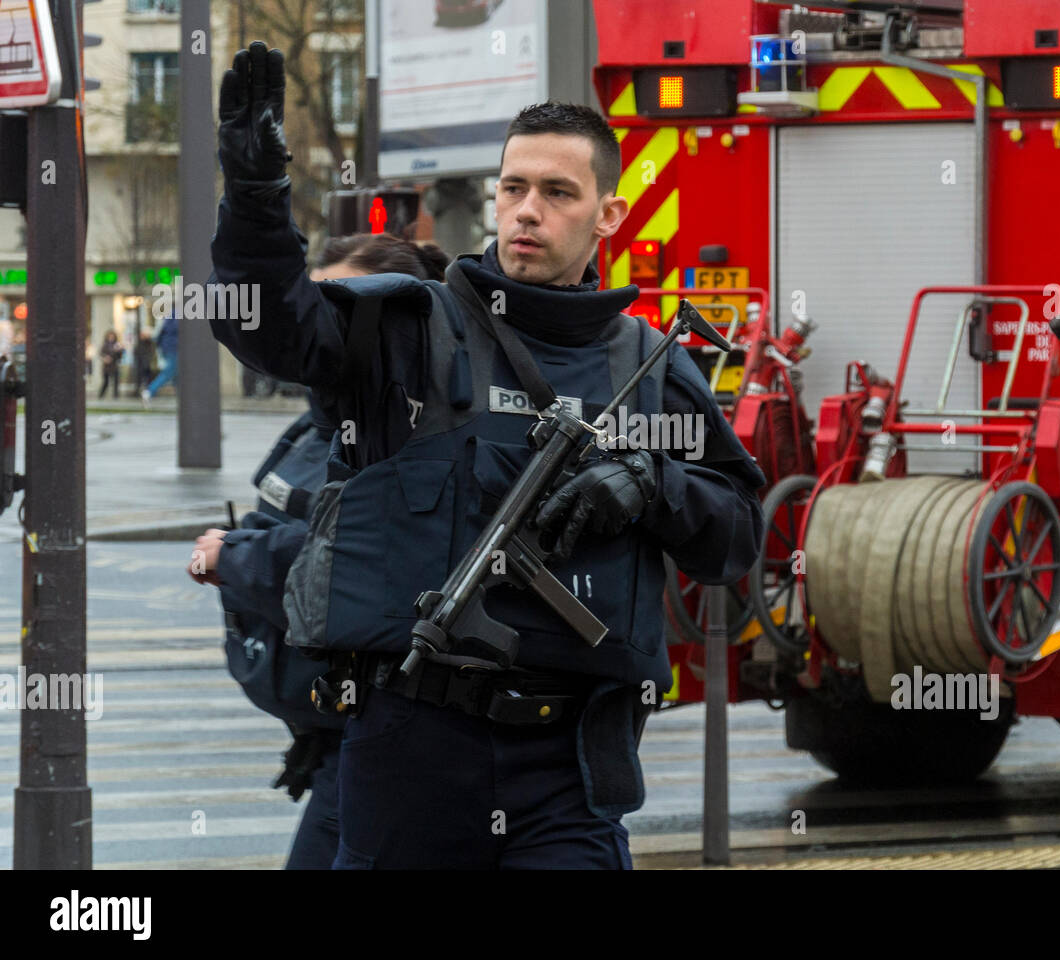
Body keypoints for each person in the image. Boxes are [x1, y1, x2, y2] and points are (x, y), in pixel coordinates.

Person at [209, 42, 764, 870]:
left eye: (557, 192)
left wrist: (652, 482)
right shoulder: (408, 327)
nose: (527, 210)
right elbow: (271, 327)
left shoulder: (649, 365)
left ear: (607, 216)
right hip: (409, 749)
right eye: (514, 188)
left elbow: (739, 536)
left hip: (570, 770)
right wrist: (256, 198)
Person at [187, 233, 449, 869]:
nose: (318, 324)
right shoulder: (323, 418)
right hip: (336, 733)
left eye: (339, 306)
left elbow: (363, 562)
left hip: (388, 733)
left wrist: (236, 558)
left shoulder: (415, 428)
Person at [141, 314, 179, 407]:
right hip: (173, 348)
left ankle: (183, 396)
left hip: (167, 347)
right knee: (169, 372)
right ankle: (149, 391)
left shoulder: (169, 317)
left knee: (176, 373)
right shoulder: (177, 316)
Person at [98, 330, 124, 399]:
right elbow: (101, 354)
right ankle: (101, 395)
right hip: (106, 367)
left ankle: (116, 396)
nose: (111, 338)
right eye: (110, 336)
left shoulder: (117, 344)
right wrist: (105, 358)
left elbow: (120, 356)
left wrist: (119, 351)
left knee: (116, 381)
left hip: (114, 366)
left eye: (112, 336)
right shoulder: (105, 345)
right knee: (106, 382)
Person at [133, 329, 156, 397]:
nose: (142, 336)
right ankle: (139, 392)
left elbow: (151, 352)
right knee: (140, 379)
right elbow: (136, 352)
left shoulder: (149, 342)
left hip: (147, 364)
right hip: (140, 364)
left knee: (148, 379)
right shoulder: (139, 343)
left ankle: (150, 391)